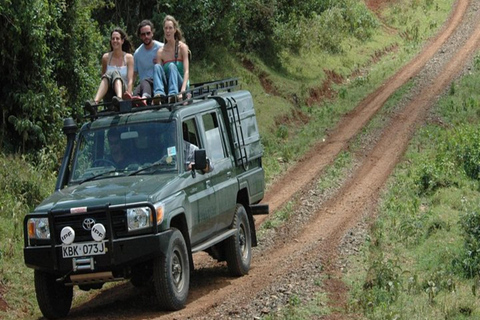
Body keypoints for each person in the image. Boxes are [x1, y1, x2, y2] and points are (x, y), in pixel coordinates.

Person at [86, 28, 134, 109]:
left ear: (122, 41)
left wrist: (128, 95)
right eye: (113, 39)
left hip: (124, 92)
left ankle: (119, 99)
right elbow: (104, 78)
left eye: (117, 38)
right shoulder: (106, 57)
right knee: (108, 74)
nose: (115, 41)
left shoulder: (129, 57)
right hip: (110, 95)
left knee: (114, 72)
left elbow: (130, 80)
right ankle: (95, 102)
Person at [152, 15, 190, 104]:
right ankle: (158, 94)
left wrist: (183, 91)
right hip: (168, 86)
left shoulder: (182, 48)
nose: (168, 31)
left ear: (175, 29)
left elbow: (186, 72)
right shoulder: (160, 52)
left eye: (170, 28)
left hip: (181, 86)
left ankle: (174, 94)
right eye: (166, 28)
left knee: (172, 66)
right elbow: (159, 74)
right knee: (157, 66)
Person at [125, 20, 163, 105]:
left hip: (158, 85)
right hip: (144, 86)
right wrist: (129, 89)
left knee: (145, 81)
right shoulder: (137, 53)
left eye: (148, 33)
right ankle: (134, 101)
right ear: (140, 36)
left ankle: (144, 99)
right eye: (143, 34)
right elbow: (134, 74)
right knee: (135, 94)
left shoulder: (161, 48)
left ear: (152, 33)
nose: (146, 36)